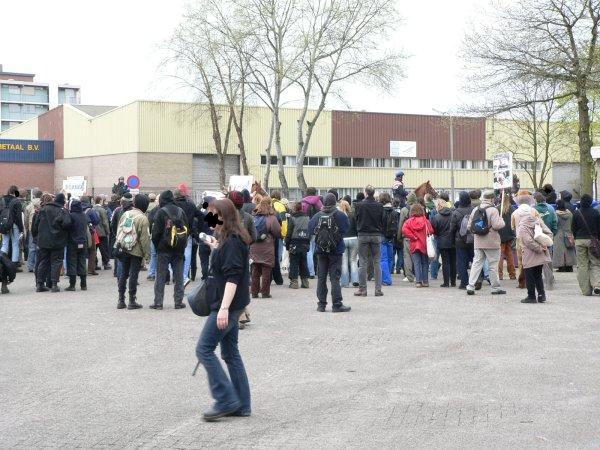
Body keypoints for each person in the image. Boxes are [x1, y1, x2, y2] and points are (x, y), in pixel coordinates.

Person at [195, 198, 252, 422]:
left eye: (213, 214)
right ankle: (242, 404)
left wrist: (223, 309)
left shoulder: (233, 242)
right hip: (232, 304)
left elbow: (233, 277)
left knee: (204, 349)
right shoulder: (227, 239)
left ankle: (225, 399)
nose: (209, 218)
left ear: (224, 216)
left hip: (227, 304)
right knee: (230, 353)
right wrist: (214, 246)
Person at [308, 193, 350, 312]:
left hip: (321, 251)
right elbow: (346, 229)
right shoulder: (340, 215)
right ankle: (337, 304)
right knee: (335, 278)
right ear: (335, 202)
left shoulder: (317, 216)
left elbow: (310, 229)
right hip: (336, 250)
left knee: (321, 278)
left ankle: (321, 304)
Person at [150, 190, 187, 309]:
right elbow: (187, 229)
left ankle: (158, 302)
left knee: (160, 276)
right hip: (179, 249)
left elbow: (155, 233)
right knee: (179, 275)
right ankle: (178, 301)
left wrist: (157, 246)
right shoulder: (180, 211)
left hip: (163, 249)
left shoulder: (161, 212)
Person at [466, 190, 506, 296]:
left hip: (478, 241)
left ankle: (470, 286)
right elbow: (497, 225)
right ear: (492, 199)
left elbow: (469, 226)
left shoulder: (476, 209)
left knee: (476, 264)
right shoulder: (493, 210)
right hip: (492, 242)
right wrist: (502, 221)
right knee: (493, 265)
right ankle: (495, 288)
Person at [115, 194, 151, 309]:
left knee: (123, 274)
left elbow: (119, 230)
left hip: (123, 248)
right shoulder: (143, 218)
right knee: (133, 275)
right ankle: (132, 300)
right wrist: (147, 255)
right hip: (136, 251)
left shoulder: (126, 214)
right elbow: (144, 239)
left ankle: (121, 300)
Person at [33, 193, 72, 293]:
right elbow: (67, 224)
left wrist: (37, 237)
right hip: (57, 240)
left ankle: (40, 284)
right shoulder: (62, 211)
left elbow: (36, 225)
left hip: (43, 241)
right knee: (56, 262)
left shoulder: (43, 210)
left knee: (43, 261)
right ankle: (54, 284)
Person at [517, 206, 552, 303]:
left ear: (520, 214)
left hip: (529, 253)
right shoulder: (537, 220)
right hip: (541, 253)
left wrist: (539, 248)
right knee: (538, 275)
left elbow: (527, 241)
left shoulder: (522, 226)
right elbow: (548, 232)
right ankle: (541, 295)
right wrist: (545, 244)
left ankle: (531, 296)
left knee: (529, 275)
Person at [355, 185, 384, 297]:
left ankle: (363, 289)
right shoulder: (379, 206)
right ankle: (378, 290)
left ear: (366, 193)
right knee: (377, 262)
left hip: (363, 234)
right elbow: (382, 220)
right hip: (376, 234)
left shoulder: (359, 205)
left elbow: (356, 219)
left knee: (362, 262)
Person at [249, 197, 281, 298]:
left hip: (254, 246)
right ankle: (265, 293)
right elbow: (277, 232)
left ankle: (254, 292)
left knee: (255, 270)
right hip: (267, 248)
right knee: (266, 271)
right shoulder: (271, 218)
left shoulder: (253, 216)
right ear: (270, 204)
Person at [572, 194, 600, 296]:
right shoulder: (596, 212)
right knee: (595, 263)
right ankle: (597, 285)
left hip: (579, 240)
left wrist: (576, 238)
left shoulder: (576, 213)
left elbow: (573, 228)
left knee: (582, 265)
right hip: (593, 241)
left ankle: (586, 290)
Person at [174, 187, 202, 287]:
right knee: (187, 256)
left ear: (175, 195)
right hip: (187, 234)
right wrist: (199, 229)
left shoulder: (173, 205)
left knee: (173, 255)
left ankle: (175, 275)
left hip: (173, 233)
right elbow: (200, 215)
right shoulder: (190, 205)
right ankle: (184, 277)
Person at [402, 204, 433, 287]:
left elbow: (404, 230)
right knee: (425, 263)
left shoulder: (409, 221)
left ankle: (418, 281)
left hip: (414, 244)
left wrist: (413, 237)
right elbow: (431, 230)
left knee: (416, 263)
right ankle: (425, 281)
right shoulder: (426, 221)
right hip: (424, 245)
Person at [450, 191, 474, 290]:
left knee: (461, 263)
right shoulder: (474, 210)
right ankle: (476, 281)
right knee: (475, 261)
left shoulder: (456, 212)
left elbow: (452, 229)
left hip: (460, 241)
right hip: (473, 240)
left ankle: (464, 283)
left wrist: (452, 241)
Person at [65, 199, 89, 292]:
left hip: (72, 242)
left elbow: (66, 225)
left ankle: (72, 285)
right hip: (83, 242)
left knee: (72, 262)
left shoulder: (71, 216)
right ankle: (83, 284)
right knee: (82, 262)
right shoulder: (84, 215)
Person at [285, 201, 310, 289]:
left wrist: (287, 244)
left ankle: (294, 282)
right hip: (305, 242)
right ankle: (305, 282)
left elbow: (289, 232)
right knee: (303, 262)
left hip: (294, 242)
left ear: (295, 208)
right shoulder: (307, 217)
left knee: (294, 262)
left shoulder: (292, 218)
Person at [431, 199, 455, 287]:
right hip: (453, 241)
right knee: (453, 261)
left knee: (445, 262)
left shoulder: (436, 217)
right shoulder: (453, 215)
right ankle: (453, 282)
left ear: (439, 206)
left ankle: (446, 282)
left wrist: (439, 235)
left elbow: (434, 230)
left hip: (442, 241)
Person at [0, 185, 24, 269]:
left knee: (5, 243)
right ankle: (14, 265)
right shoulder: (16, 201)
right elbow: (18, 217)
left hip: (4, 224)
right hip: (14, 226)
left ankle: (1, 262)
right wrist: (21, 229)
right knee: (15, 244)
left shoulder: (2, 200)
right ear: (16, 192)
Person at [301, 187, 323, 278]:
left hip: (306, 228)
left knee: (308, 250)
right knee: (314, 249)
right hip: (317, 229)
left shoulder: (303, 202)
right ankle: (316, 270)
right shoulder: (319, 202)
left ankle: (310, 272)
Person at [339, 200, 359, 288]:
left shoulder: (339, 216)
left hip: (343, 239)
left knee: (344, 261)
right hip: (354, 238)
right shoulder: (353, 215)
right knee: (353, 260)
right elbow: (357, 227)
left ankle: (344, 282)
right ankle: (355, 280)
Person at [398, 193, 417, 282]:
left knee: (407, 256)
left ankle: (409, 276)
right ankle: (418, 274)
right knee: (417, 256)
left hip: (407, 236)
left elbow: (401, 224)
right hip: (417, 236)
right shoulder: (419, 209)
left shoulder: (404, 210)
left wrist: (399, 236)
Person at [553, 199, 576, 272]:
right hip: (568, 232)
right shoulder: (570, 214)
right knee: (569, 250)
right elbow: (572, 223)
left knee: (560, 251)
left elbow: (554, 224)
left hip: (559, 233)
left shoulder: (555, 214)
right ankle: (570, 266)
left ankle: (561, 267)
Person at [379, 192, 397, 286]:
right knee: (390, 258)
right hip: (391, 236)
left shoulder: (380, 210)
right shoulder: (394, 211)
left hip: (382, 236)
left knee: (383, 259)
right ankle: (388, 276)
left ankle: (386, 279)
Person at [270, 191, 287, 286]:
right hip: (277, 234)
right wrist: (283, 234)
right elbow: (284, 221)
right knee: (277, 256)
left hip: (267, 235)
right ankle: (277, 276)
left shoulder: (266, 204)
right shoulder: (280, 206)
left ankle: (269, 275)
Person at [498, 193, 516, 280]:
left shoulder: (497, 209)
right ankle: (512, 274)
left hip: (500, 234)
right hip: (510, 234)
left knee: (500, 255)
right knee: (510, 255)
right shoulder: (512, 208)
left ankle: (499, 274)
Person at [24, 190, 42, 273]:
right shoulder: (43, 204)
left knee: (32, 247)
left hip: (32, 228)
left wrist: (26, 227)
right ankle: (37, 265)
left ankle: (30, 266)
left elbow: (26, 218)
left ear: (34, 196)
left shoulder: (29, 206)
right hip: (41, 229)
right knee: (40, 247)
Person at [93, 196, 111, 270]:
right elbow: (105, 222)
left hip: (94, 232)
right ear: (100, 201)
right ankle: (106, 263)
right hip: (102, 232)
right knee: (104, 249)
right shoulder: (102, 210)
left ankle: (95, 264)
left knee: (94, 249)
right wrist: (108, 231)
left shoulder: (92, 209)